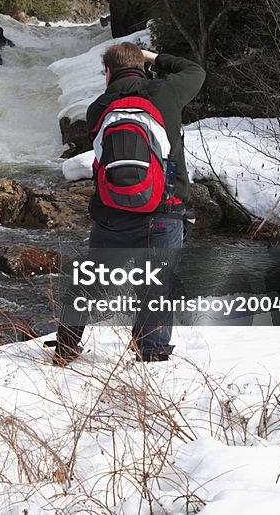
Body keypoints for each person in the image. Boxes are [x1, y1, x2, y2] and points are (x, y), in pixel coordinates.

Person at [54, 43, 205, 365]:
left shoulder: (98, 107)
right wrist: (154, 58)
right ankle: (150, 353)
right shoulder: (166, 92)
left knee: (89, 282)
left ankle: (65, 346)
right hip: (163, 209)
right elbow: (195, 71)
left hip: (111, 212)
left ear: (108, 72)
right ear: (143, 66)